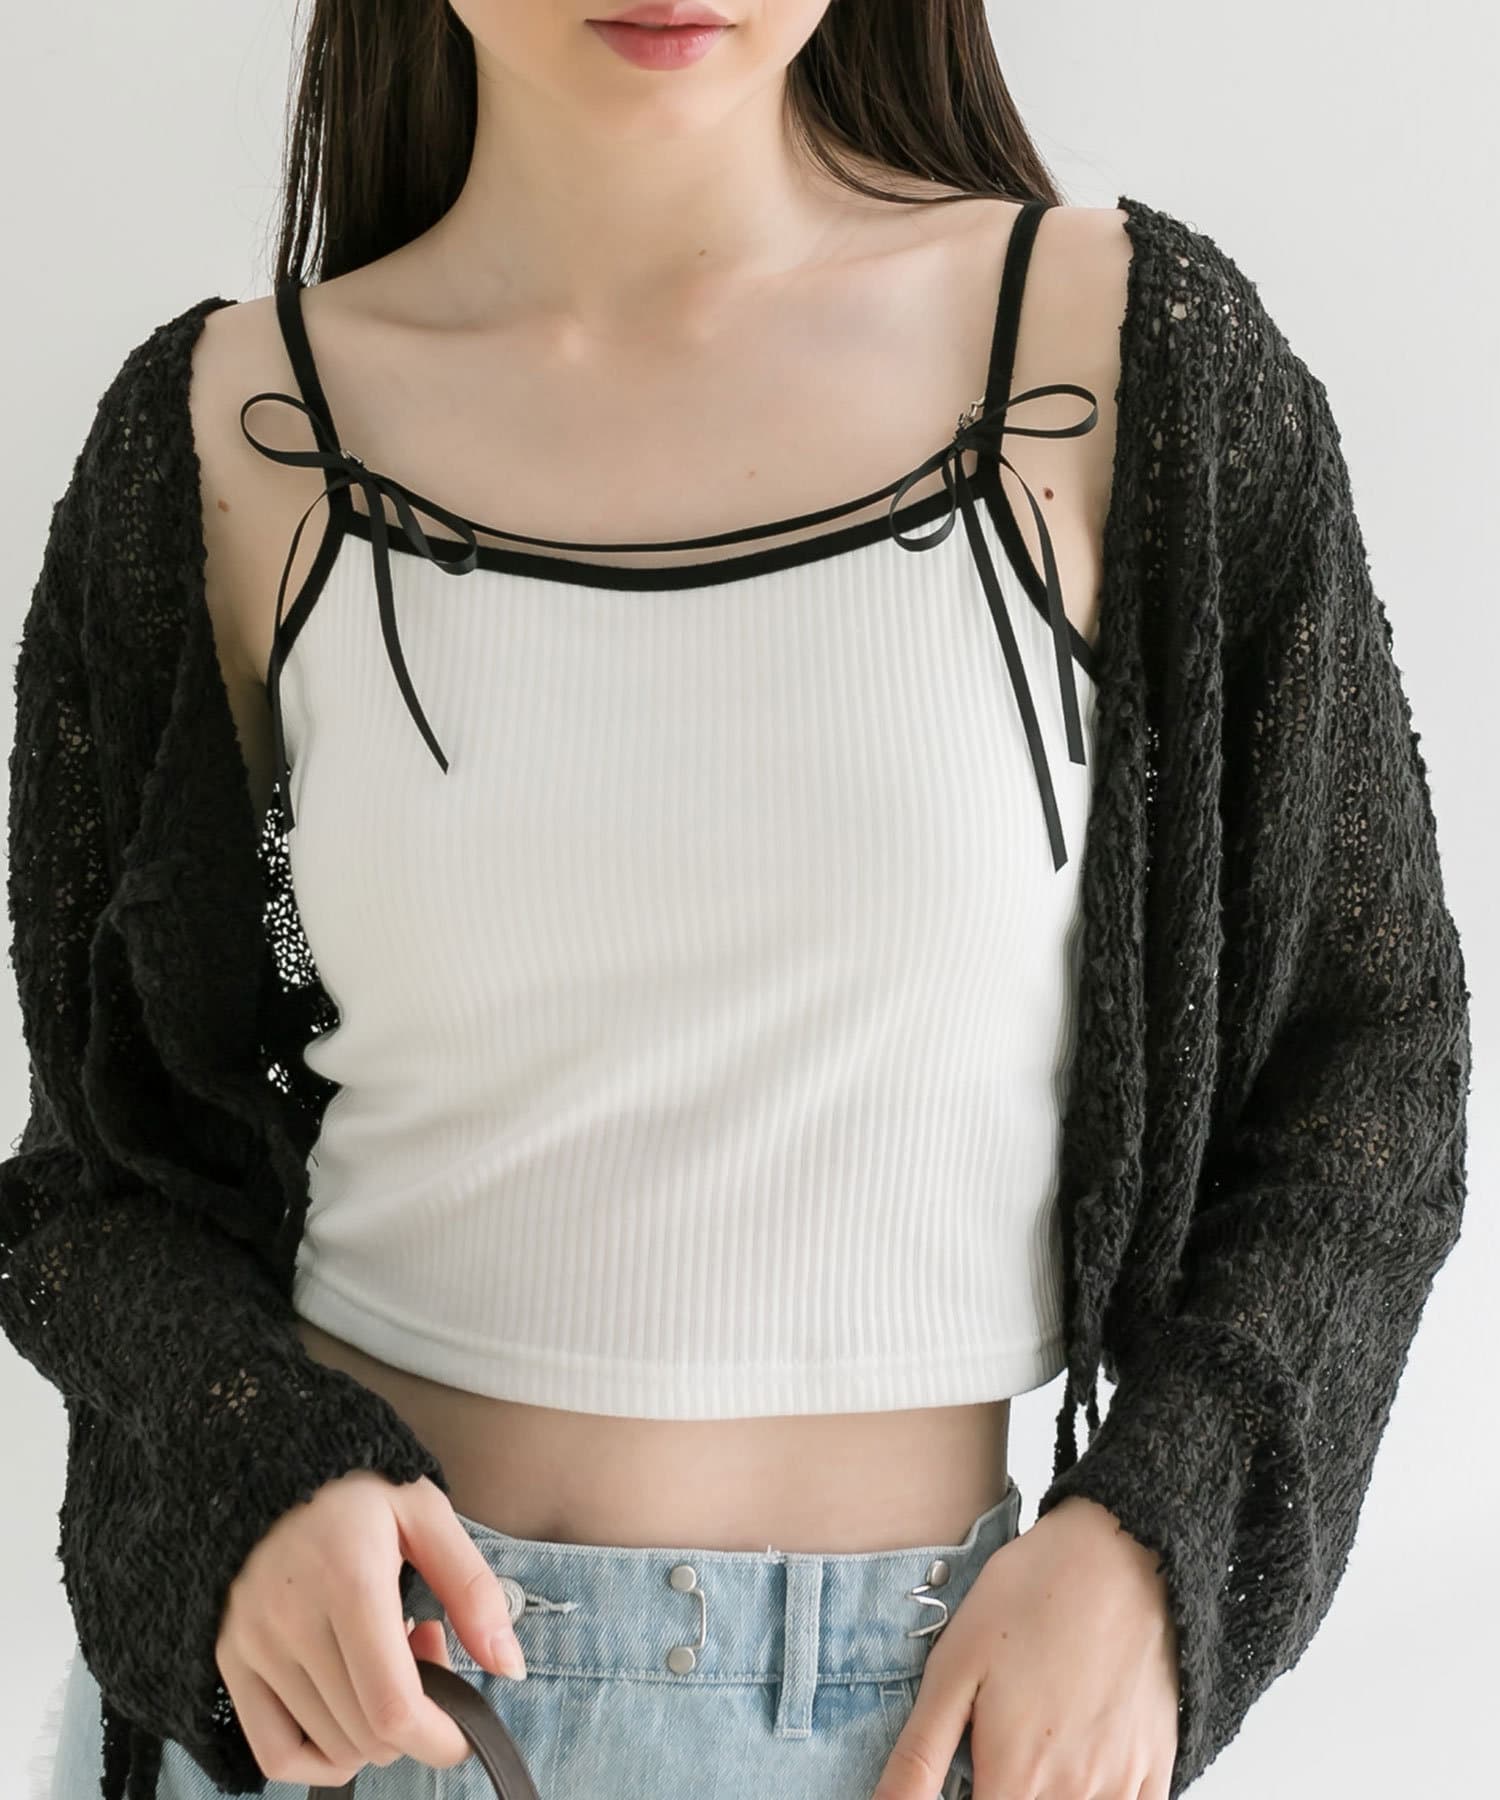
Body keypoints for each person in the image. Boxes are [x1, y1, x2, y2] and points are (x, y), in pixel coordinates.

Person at [11, 6, 1471, 1800]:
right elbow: (104, 1170)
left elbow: (1368, 1065)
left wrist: (1160, 1554)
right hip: (374, 1711)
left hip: (929, 1726)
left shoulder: (1119, 366)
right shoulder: (233, 438)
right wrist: (243, 1489)